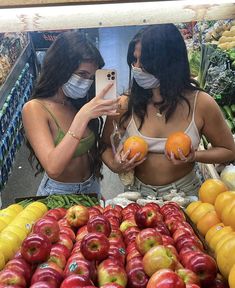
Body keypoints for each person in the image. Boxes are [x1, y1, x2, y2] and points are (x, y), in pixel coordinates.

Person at [102, 24, 235, 200]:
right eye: (134, 60)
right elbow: (104, 145)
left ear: (170, 63)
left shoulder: (201, 103)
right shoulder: (126, 103)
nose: (137, 67)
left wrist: (194, 156)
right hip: (137, 196)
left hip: (186, 194)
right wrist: (114, 164)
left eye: (145, 62)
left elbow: (228, 150)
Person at [22, 31, 119, 196]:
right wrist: (82, 117)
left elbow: (98, 147)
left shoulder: (77, 101)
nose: (86, 82)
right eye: (82, 74)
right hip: (58, 193)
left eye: (91, 76)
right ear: (60, 68)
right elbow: (53, 168)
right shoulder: (35, 108)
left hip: (92, 187)